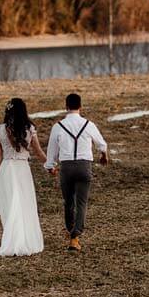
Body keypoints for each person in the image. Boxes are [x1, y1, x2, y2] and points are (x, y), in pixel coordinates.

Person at [44, 93, 109, 252]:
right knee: (81, 203)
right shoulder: (89, 124)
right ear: (80, 107)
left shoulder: (58, 126)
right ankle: (75, 237)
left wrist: (50, 165)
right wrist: (103, 155)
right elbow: (102, 144)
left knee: (69, 202)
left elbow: (52, 150)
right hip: (84, 167)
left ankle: (71, 231)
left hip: (66, 168)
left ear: (66, 107)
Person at [0, 98, 47, 256]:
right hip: (23, 169)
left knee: (11, 205)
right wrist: (50, 165)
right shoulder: (29, 129)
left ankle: (13, 241)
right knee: (25, 204)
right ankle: (27, 241)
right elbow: (39, 152)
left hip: (7, 169)